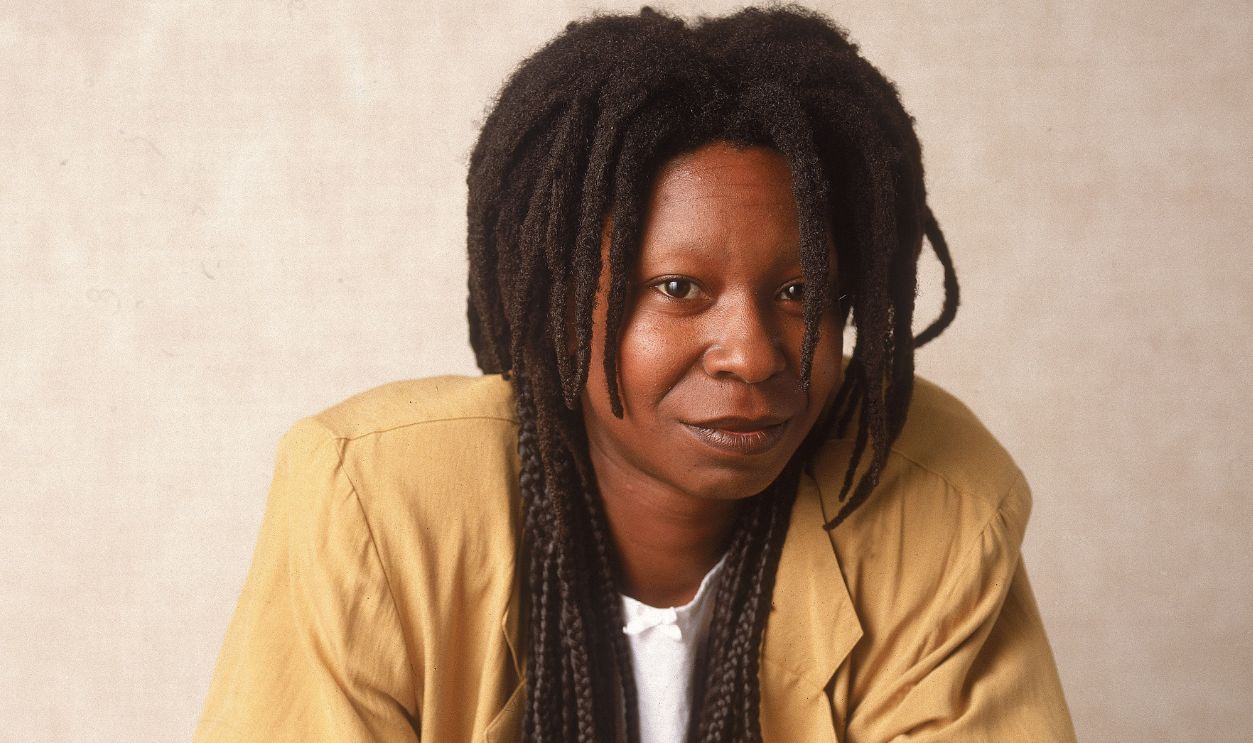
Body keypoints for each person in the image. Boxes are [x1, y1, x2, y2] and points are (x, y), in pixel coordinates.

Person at [195, 6, 1075, 742]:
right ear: (558, 296)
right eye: (678, 288)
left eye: (800, 291)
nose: (752, 353)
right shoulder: (377, 501)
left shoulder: (935, 498)